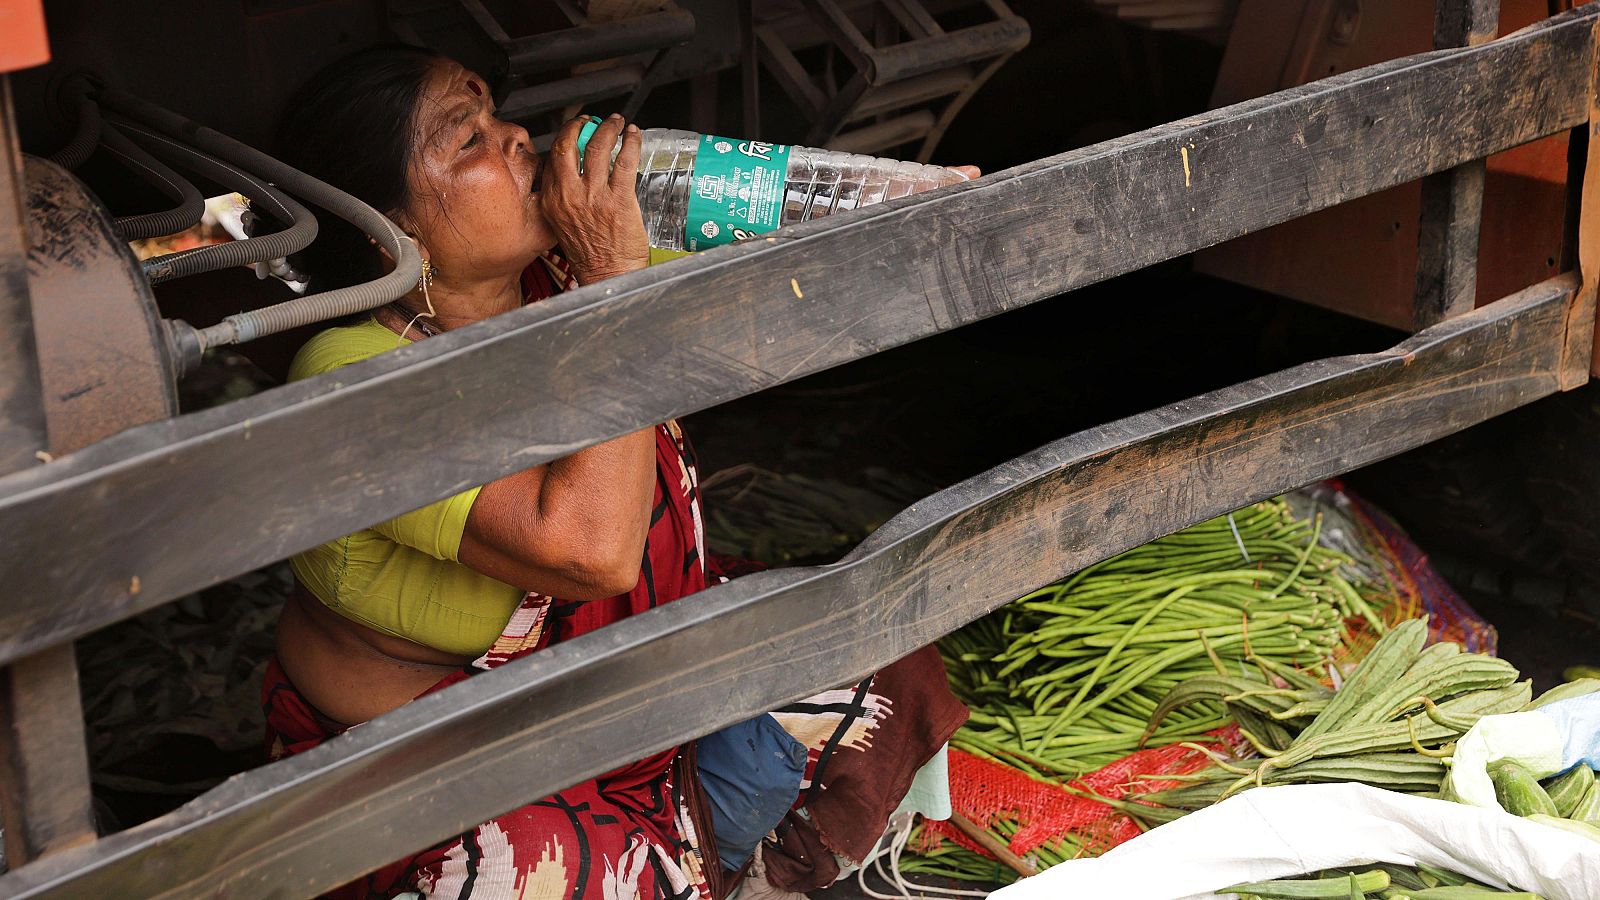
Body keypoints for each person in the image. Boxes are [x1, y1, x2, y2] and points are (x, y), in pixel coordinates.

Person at [264, 44, 967, 900]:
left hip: (624, 705)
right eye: (468, 140)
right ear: (392, 226)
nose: (518, 138)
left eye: (496, 113)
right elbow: (589, 553)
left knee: (874, 659)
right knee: (531, 866)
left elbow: (787, 257)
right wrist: (611, 282)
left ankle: (721, 871)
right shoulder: (351, 374)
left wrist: (909, 197)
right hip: (455, 782)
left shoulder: (558, 273)